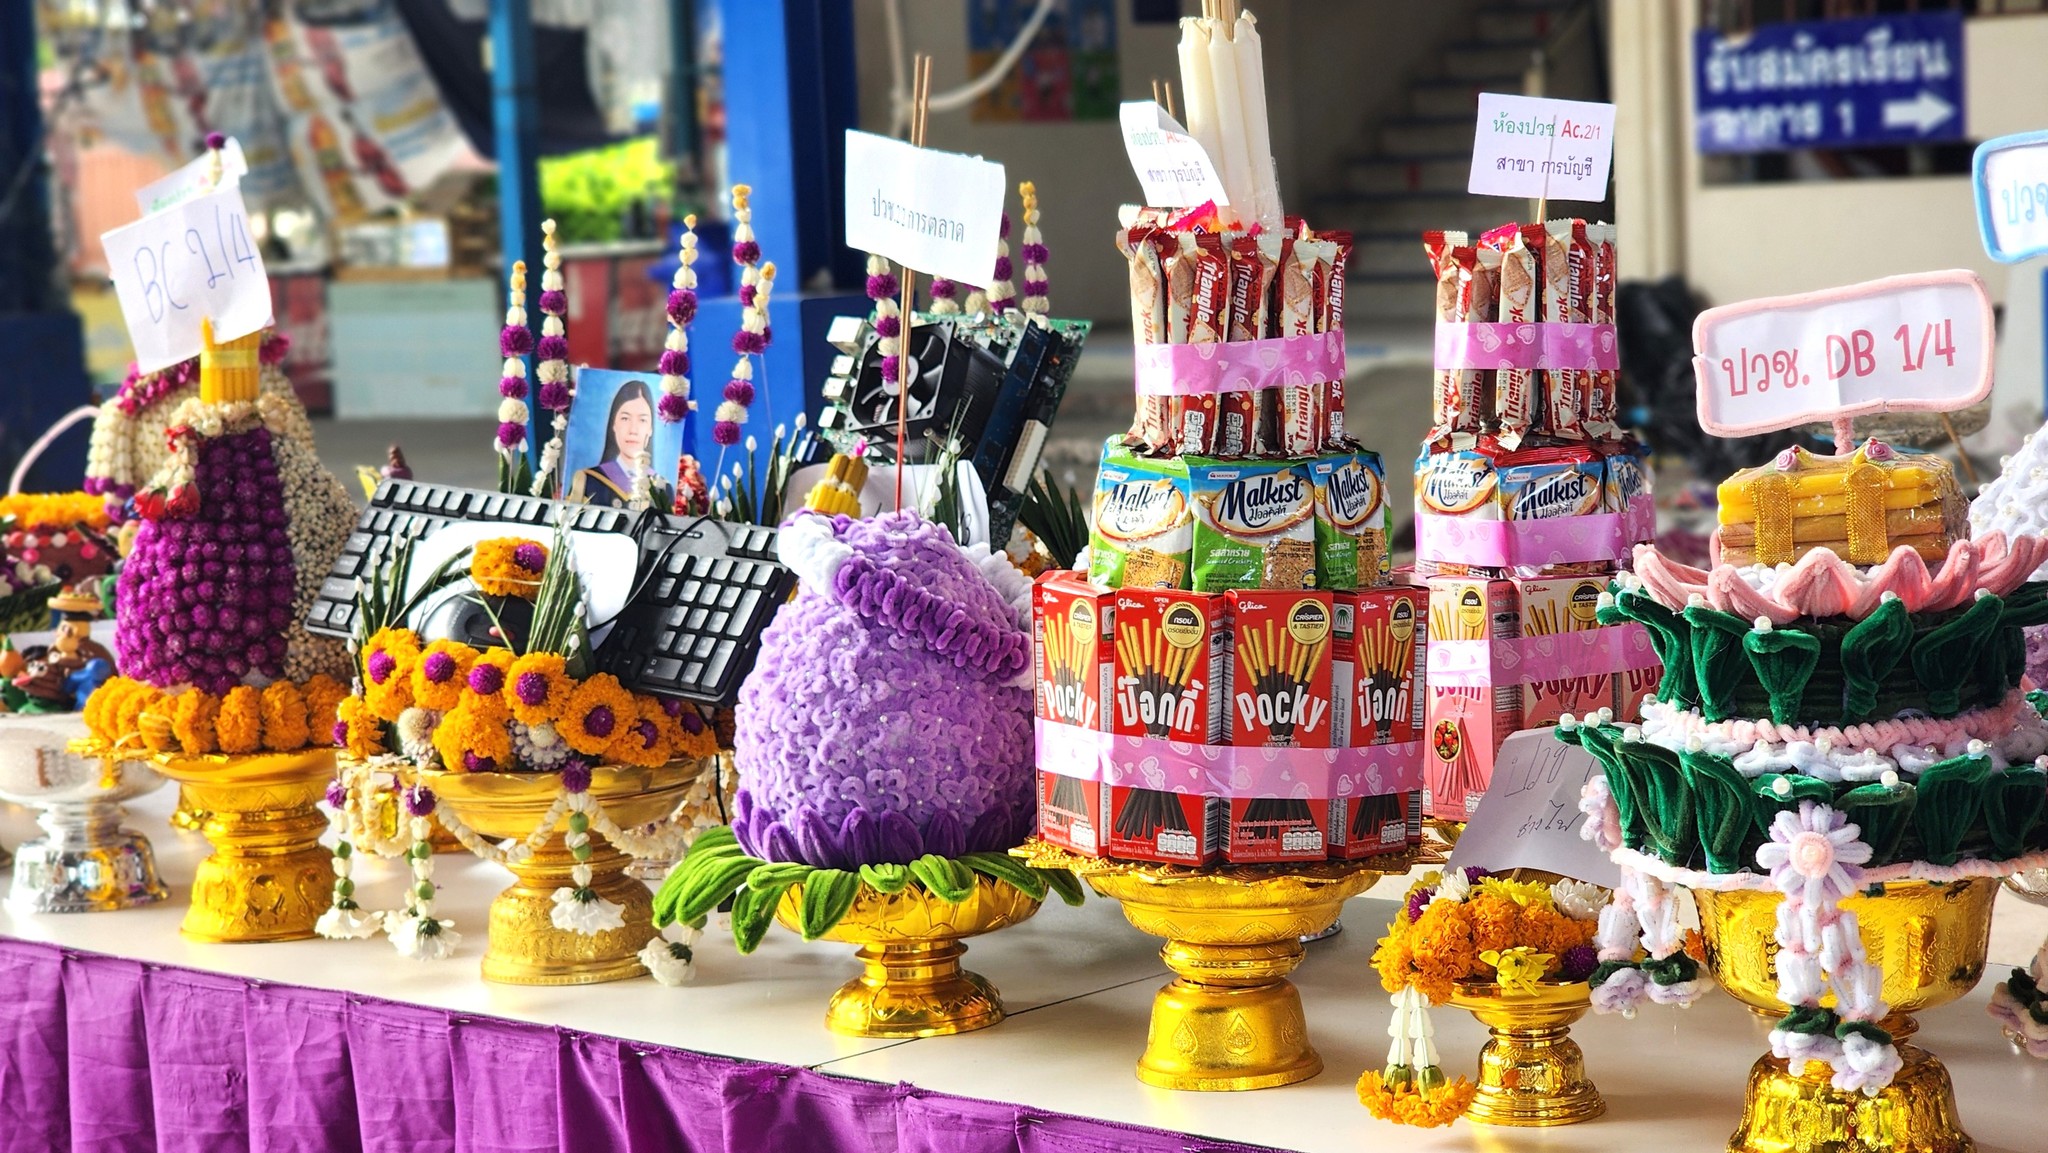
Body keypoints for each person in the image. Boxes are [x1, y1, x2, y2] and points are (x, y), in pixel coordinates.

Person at [568, 379, 674, 509]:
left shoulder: (663, 488)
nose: (633, 430)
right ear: (613, 424)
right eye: (625, 418)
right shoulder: (588, 481)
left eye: (642, 420)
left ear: (650, 429)